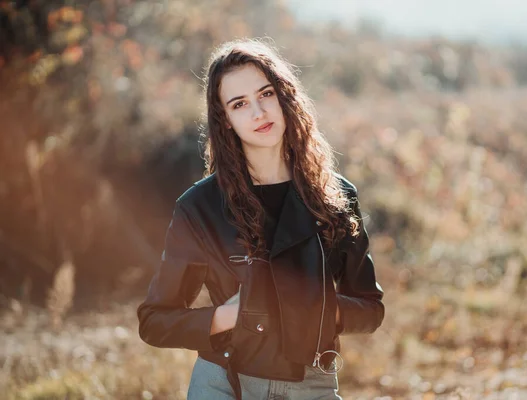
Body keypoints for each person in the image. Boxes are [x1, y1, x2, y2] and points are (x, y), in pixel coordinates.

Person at [137, 38, 385, 400]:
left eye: (265, 94)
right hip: (224, 382)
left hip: (311, 384)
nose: (258, 112)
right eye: (239, 104)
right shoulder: (200, 206)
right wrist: (227, 315)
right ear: (225, 122)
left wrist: (318, 308)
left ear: (285, 97)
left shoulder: (337, 196)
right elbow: (154, 321)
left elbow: (371, 310)